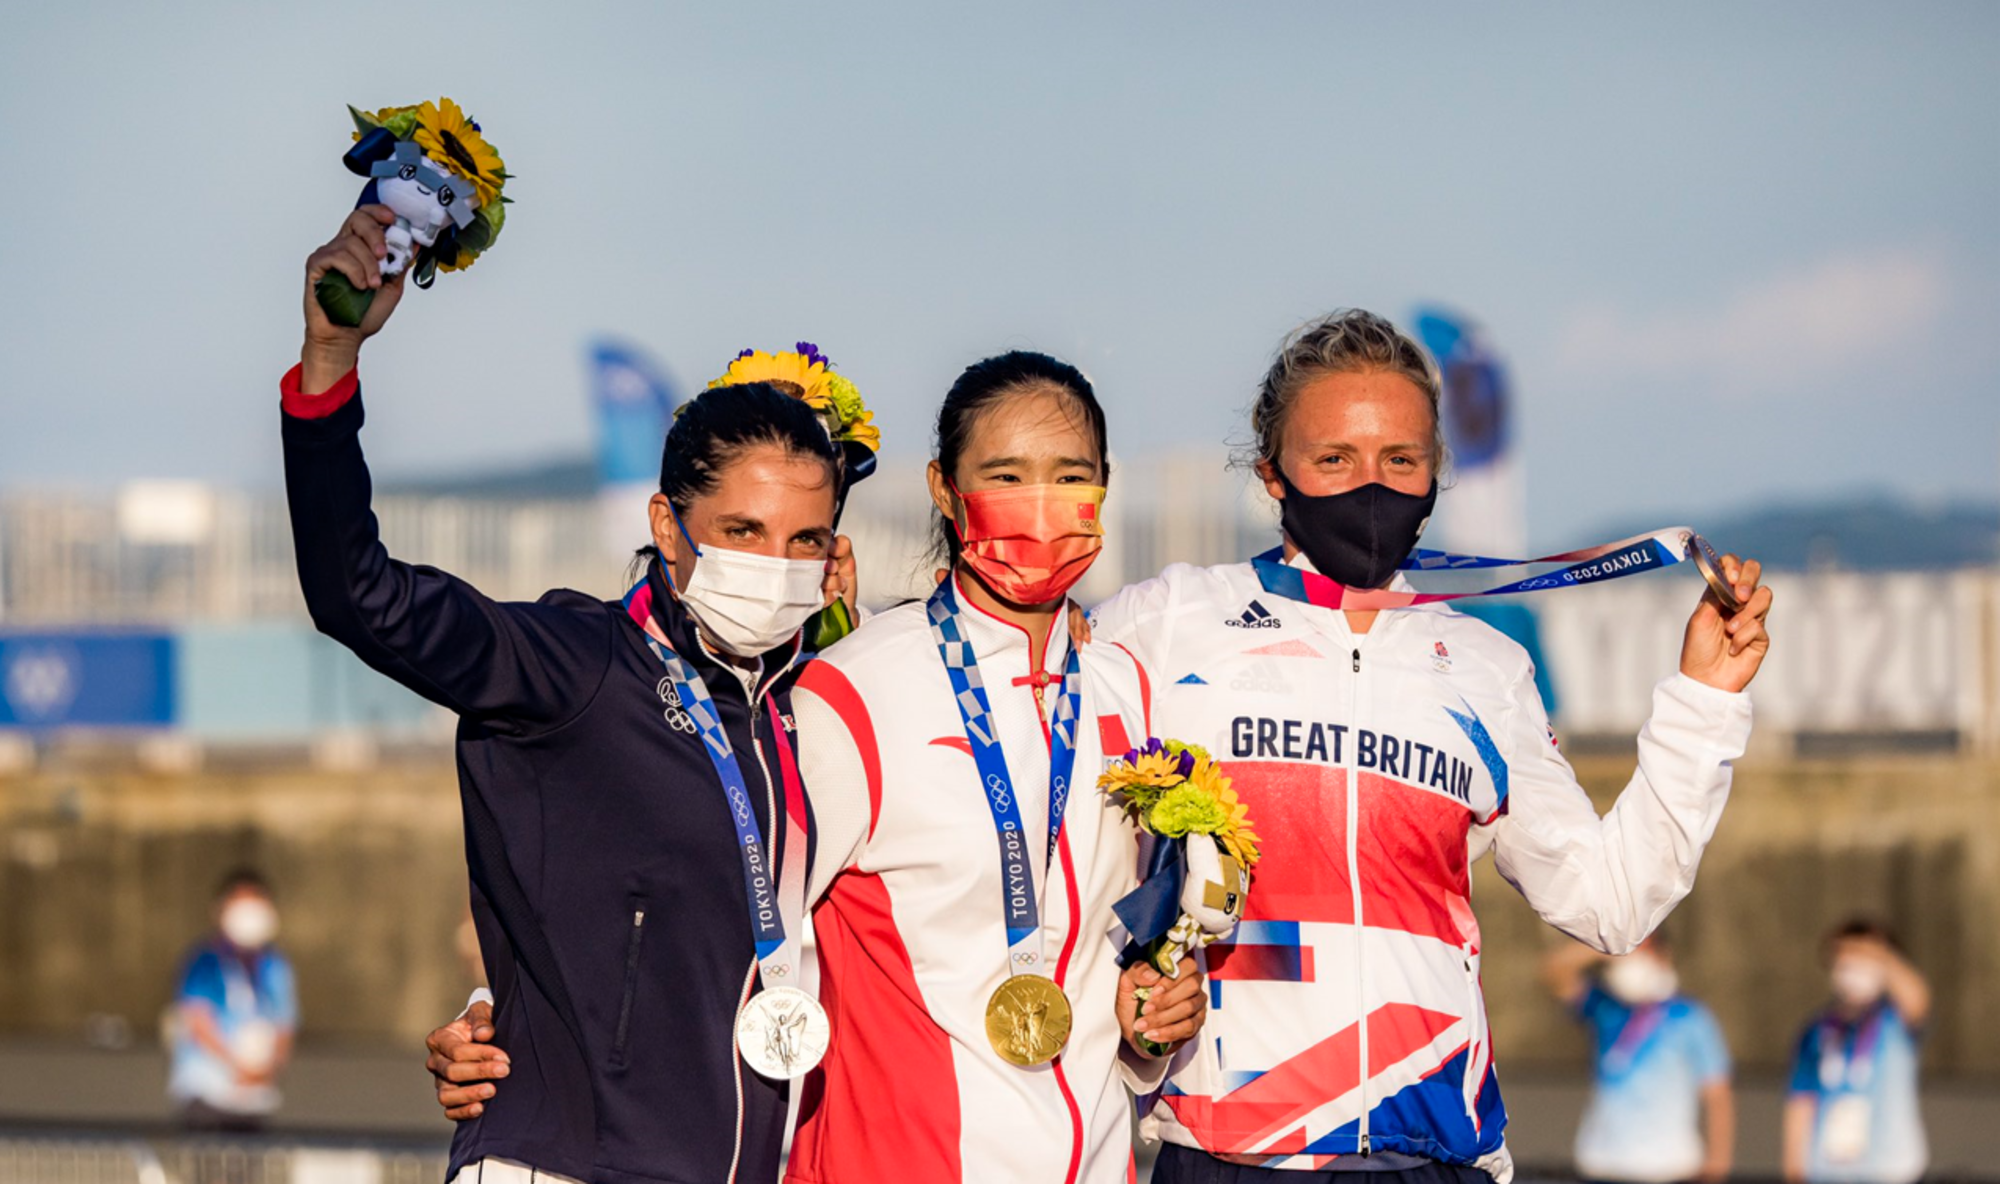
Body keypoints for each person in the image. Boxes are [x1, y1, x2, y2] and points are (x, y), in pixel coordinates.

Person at [428, 352, 1213, 1184]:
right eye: (1007, 475)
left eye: (1070, 476)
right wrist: (503, 1011)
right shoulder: (854, 687)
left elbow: (1109, 954)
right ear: (944, 490)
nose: (1041, 505)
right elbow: (717, 911)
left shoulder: (1130, 692)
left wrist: (1151, 1025)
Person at [1085, 308, 1773, 1183]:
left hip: (1436, 1158)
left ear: (1436, 473)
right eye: (1334, 458)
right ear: (1271, 473)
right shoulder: (1169, 621)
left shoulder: (1487, 668)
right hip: (1226, 1155)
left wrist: (1702, 703)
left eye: (1400, 460)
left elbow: (1612, 903)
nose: (1370, 485)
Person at [286, 206, 859, 1184]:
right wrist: (329, 362)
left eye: (803, 540)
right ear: (666, 526)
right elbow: (361, 595)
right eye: (743, 529)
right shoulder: (573, 664)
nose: (775, 565)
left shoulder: (819, 708)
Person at [1543, 936, 1734, 1184]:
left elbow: (1718, 1095)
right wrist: (1604, 947)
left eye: (1639, 949)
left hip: (1671, 1169)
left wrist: (1717, 1165)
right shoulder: (1605, 1008)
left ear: (1664, 956)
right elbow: (1555, 970)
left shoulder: (1690, 1017)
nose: (1630, 960)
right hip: (1603, 1165)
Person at [1783, 919, 1931, 1184]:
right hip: (1827, 1172)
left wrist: (1879, 953)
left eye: (1862, 960)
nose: (1851, 968)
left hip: (1890, 1171)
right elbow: (1801, 1103)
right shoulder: (1817, 1030)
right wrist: (1794, 1172)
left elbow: (1917, 999)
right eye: (1844, 960)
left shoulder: (1894, 1020)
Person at [168, 868, 298, 1132]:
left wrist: (266, 1070)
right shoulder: (204, 962)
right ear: (221, 909)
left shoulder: (275, 966)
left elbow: (285, 1025)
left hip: (254, 1100)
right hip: (207, 1096)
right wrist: (237, 1067)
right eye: (241, 905)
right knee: (211, 1169)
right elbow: (197, 1021)